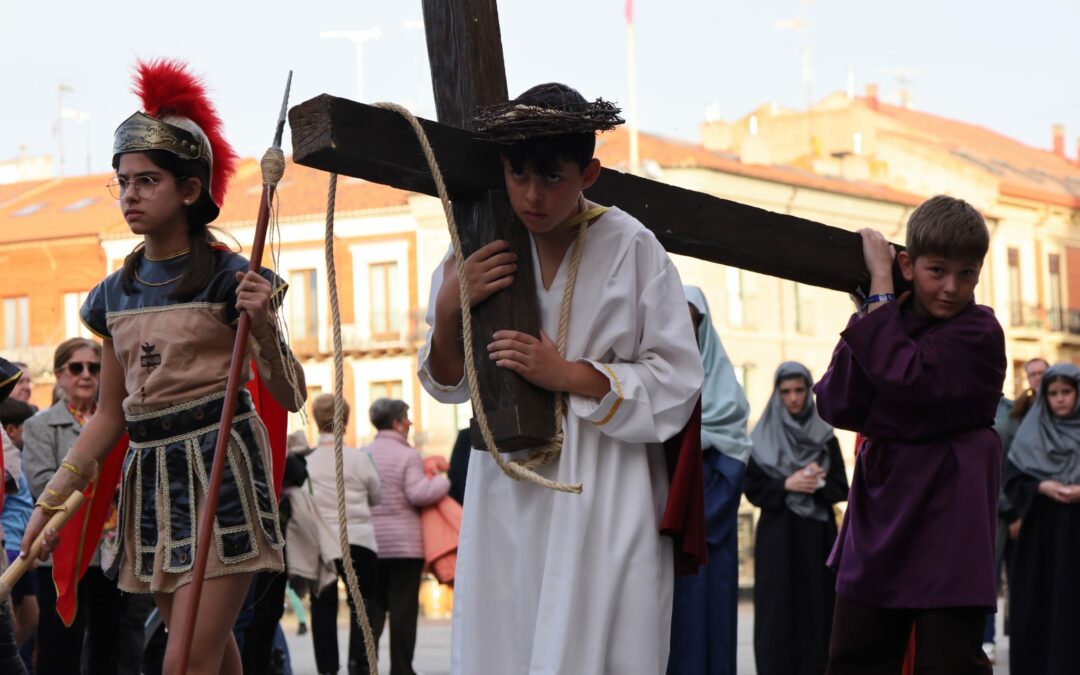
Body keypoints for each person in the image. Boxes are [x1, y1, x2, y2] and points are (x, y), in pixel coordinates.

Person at [20, 59, 305, 675]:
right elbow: (109, 416)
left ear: (190, 189)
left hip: (221, 473)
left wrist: (266, 327)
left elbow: (291, 393)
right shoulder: (110, 296)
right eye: (122, 182)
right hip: (151, 483)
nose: (129, 195)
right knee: (210, 656)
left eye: (147, 181)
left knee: (182, 663)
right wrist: (50, 500)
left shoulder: (235, 279)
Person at [418, 83, 703, 674]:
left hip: (608, 485)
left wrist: (570, 375)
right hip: (508, 488)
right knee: (508, 637)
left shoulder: (633, 247)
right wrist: (449, 308)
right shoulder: (478, 241)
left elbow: (677, 380)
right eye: (519, 174)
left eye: (552, 177)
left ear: (589, 173)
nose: (532, 195)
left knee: (606, 641)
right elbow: (448, 379)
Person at [813, 195, 1005, 673]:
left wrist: (880, 297)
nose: (951, 287)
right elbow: (836, 403)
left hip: (949, 509)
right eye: (936, 270)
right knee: (854, 657)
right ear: (908, 263)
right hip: (883, 507)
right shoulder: (886, 321)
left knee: (949, 661)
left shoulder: (980, 331)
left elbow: (908, 382)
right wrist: (869, 315)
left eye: (966, 273)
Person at [21, 338, 131, 673]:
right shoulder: (38, 425)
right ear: (59, 375)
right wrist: (103, 486)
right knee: (59, 649)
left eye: (95, 368)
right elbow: (43, 482)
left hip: (113, 553)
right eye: (76, 367)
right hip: (60, 551)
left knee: (110, 648)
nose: (86, 375)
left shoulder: (122, 425)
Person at [667, 287, 751, 675]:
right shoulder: (657, 384)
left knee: (710, 626)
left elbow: (733, 462)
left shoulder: (725, 395)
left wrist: (689, 517)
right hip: (660, 531)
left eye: (691, 321)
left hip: (706, 532)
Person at [745, 362, 849, 675]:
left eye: (799, 390)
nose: (793, 398)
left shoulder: (824, 435)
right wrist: (786, 484)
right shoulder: (761, 437)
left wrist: (815, 483)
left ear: (808, 391)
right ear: (777, 393)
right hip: (777, 536)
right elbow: (752, 489)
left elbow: (840, 488)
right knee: (776, 612)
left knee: (818, 610)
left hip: (817, 538)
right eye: (786, 391)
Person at [1001, 363, 1080, 675]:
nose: (1060, 399)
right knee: (1042, 605)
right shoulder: (1030, 434)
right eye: (1053, 393)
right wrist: (1041, 486)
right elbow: (1013, 480)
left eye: (1067, 392)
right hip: (1042, 535)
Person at [366, 398, 449, 675]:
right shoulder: (408, 455)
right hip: (404, 547)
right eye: (407, 418)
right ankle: (401, 670)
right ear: (397, 423)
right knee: (403, 613)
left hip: (372, 544)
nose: (410, 423)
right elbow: (417, 493)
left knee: (372, 612)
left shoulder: (364, 453)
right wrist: (441, 480)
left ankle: (366, 666)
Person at [307, 394, 382, 675]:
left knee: (322, 606)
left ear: (315, 421)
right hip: (360, 537)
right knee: (363, 605)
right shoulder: (360, 459)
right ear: (346, 420)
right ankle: (359, 664)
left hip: (323, 543)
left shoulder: (308, 462)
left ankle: (327, 669)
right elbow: (376, 495)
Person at [983, 355, 1047, 661]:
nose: (1037, 378)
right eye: (1031, 373)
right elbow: (1001, 464)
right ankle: (987, 641)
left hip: (1039, 511)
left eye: (1041, 373)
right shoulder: (1011, 413)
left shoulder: (1064, 413)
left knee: (1030, 577)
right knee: (989, 577)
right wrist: (1010, 511)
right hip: (1003, 510)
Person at [0, 397, 38, 666]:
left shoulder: (14, 450)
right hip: (10, 546)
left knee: (30, 615)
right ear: (12, 429)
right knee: (9, 623)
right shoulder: (9, 448)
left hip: (17, 548)